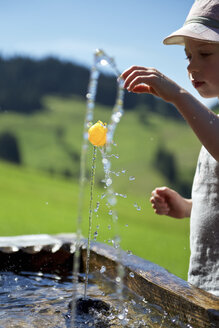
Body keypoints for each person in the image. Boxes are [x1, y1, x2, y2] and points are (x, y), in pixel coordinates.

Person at [121, 0, 219, 297]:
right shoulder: (213, 123)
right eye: (188, 55)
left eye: (204, 53)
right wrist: (189, 207)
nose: (191, 65)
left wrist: (178, 95)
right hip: (205, 290)